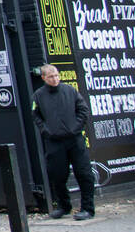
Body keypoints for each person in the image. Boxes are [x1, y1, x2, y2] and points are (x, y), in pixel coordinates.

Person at [33, 63, 94, 220]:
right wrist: (46, 130)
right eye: (51, 76)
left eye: (56, 76)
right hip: (54, 141)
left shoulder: (70, 90)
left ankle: (87, 208)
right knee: (57, 175)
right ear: (44, 78)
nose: (54, 79)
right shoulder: (39, 95)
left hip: (75, 139)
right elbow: (35, 114)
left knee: (84, 173)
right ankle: (64, 206)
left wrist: (75, 127)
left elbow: (83, 110)